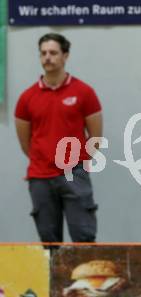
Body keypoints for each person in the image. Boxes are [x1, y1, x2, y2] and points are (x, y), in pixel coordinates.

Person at [14, 33, 102, 244]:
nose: (47, 57)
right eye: (43, 53)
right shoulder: (27, 98)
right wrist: (43, 158)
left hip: (74, 174)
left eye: (53, 53)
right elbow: (25, 142)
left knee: (84, 238)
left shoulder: (84, 92)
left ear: (65, 56)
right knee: (48, 242)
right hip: (40, 177)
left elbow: (96, 138)